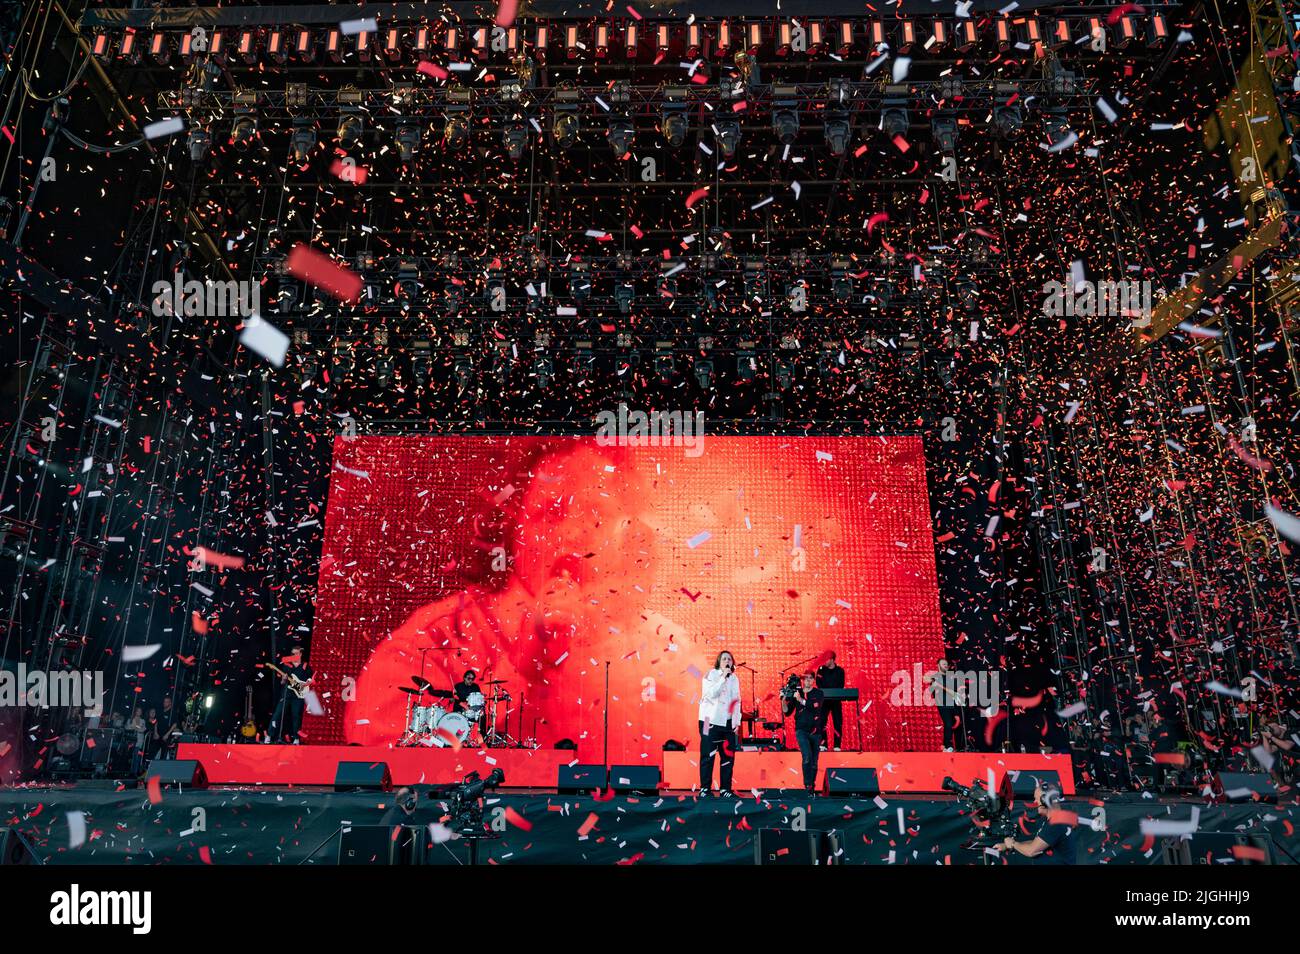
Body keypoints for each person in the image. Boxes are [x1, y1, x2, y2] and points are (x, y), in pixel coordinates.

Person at [1000, 783, 1077, 864]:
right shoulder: (1057, 819)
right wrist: (1007, 845)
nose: (1035, 802)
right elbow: (1037, 843)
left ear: (1045, 800)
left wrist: (1013, 844)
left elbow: (1031, 851)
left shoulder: (1055, 824)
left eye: (1036, 798)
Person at [699, 651, 742, 795]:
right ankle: (705, 788)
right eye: (724, 659)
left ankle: (725, 789)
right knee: (707, 754)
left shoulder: (734, 678)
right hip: (707, 720)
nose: (727, 661)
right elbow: (711, 694)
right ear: (719, 662)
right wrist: (723, 676)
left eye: (729, 659)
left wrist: (737, 722)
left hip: (727, 722)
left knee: (728, 756)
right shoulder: (710, 675)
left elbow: (737, 700)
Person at [784, 670, 826, 792]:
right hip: (801, 730)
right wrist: (783, 699)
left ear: (813, 680)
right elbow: (787, 712)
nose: (807, 680)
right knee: (807, 756)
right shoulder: (798, 693)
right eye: (805, 678)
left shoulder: (818, 693)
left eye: (810, 678)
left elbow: (815, 707)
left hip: (816, 732)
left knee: (814, 761)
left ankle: (812, 786)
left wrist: (801, 700)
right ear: (802, 680)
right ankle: (807, 785)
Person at [268, 645, 314, 743]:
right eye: (293, 654)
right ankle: (269, 735)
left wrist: (304, 684)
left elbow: (311, 680)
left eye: (296, 653)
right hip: (287, 693)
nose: (294, 655)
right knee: (278, 714)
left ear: (300, 654)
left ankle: (296, 738)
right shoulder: (287, 666)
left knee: (296, 715)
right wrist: (284, 679)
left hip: (299, 695)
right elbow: (282, 683)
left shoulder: (306, 666)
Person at [924, 658, 965, 752]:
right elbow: (926, 679)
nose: (945, 665)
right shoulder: (935, 676)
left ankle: (945, 745)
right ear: (938, 665)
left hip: (951, 704)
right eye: (943, 664)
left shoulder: (950, 677)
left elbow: (953, 693)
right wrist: (932, 680)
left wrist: (956, 713)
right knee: (948, 724)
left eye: (946, 664)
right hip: (942, 704)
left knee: (954, 725)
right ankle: (947, 746)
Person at [815, 652, 846, 751]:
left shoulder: (840, 671)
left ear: (832, 659)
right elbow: (818, 683)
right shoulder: (821, 670)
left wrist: (832, 692)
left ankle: (837, 745)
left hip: (836, 700)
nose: (825, 661)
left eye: (827, 659)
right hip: (824, 700)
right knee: (821, 722)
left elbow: (841, 685)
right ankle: (823, 744)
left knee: (837, 722)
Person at [453, 669, 488, 741]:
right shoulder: (458, 686)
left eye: (472, 679)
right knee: (462, 720)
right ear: (464, 678)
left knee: (482, 717)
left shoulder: (475, 687)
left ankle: (482, 740)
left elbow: (478, 699)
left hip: (473, 710)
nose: (470, 680)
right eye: (469, 678)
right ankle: (457, 740)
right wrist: (464, 705)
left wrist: (482, 702)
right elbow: (455, 699)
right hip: (460, 709)